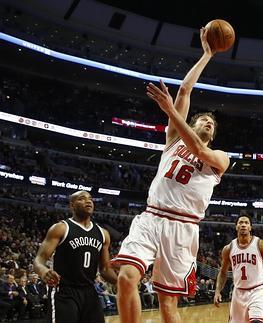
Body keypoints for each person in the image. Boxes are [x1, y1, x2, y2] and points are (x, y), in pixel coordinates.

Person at [111, 26, 229, 323]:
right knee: (126, 278)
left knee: (168, 307)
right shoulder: (174, 139)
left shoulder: (220, 158)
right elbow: (185, 91)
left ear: (213, 135)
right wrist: (206, 55)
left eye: (211, 124)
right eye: (202, 120)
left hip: (182, 228)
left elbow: (200, 153)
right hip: (151, 217)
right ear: (192, 123)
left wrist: (170, 112)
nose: (207, 124)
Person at [33, 190, 117, 323]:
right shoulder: (60, 228)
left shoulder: (103, 234)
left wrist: (121, 282)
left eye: (90, 199)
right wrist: (43, 271)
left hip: (90, 290)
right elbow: (39, 259)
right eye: (82, 198)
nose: (88, 201)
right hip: (64, 290)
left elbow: (105, 269)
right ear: (72, 205)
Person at [214, 215, 263, 323]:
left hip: (257, 290)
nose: (243, 225)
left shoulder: (261, 244)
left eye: (246, 223)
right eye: (240, 222)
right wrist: (217, 291)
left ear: (250, 227)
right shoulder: (228, 249)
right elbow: (223, 272)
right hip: (238, 292)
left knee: (256, 321)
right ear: (236, 227)